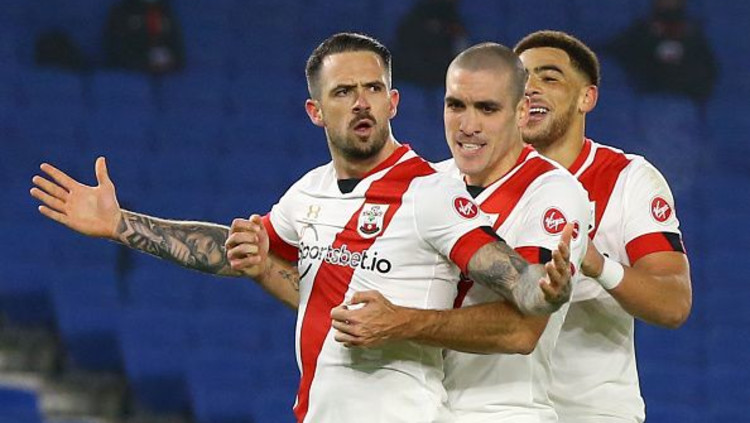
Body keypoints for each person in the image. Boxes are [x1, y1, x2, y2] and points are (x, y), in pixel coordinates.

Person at [31, 33, 572, 423]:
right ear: (315, 111)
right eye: (343, 92)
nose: (361, 103)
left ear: (393, 102)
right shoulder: (309, 191)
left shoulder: (430, 192)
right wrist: (120, 224)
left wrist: (545, 286)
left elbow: (516, 281)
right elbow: (236, 252)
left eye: (373, 88)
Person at [326, 42, 591, 423]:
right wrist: (262, 263)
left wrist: (401, 322)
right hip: (421, 408)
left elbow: (522, 331)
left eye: (487, 108)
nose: (468, 126)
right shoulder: (428, 184)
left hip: (502, 413)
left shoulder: (554, 193)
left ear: (520, 111)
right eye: (456, 106)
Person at [514, 30, 692, 422]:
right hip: (497, 410)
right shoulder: (473, 181)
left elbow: (674, 303)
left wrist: (597, 265)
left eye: (549, 77)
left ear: (586, 98)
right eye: (521, 79)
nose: (530, 89)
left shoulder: (629, 179)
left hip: (593, 413)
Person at [604, 0, 717, 103]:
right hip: (647, 94)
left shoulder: (693, 33)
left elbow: (707, 69)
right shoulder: (641, 30)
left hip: (684, 97)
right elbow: (616, 50)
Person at [393, 0, 468, 89]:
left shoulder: (451, 15)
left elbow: (460, 41)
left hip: (441, 67)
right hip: (414, 64)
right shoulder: (420, 12)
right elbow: (403, 34)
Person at [104, 0, 185, 74]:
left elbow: (178, 47)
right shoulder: (122, 11)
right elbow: (117, 51)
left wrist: (171, 61)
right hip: (132, 73)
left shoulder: (165, 11)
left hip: (167, 72)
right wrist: (146, 62)